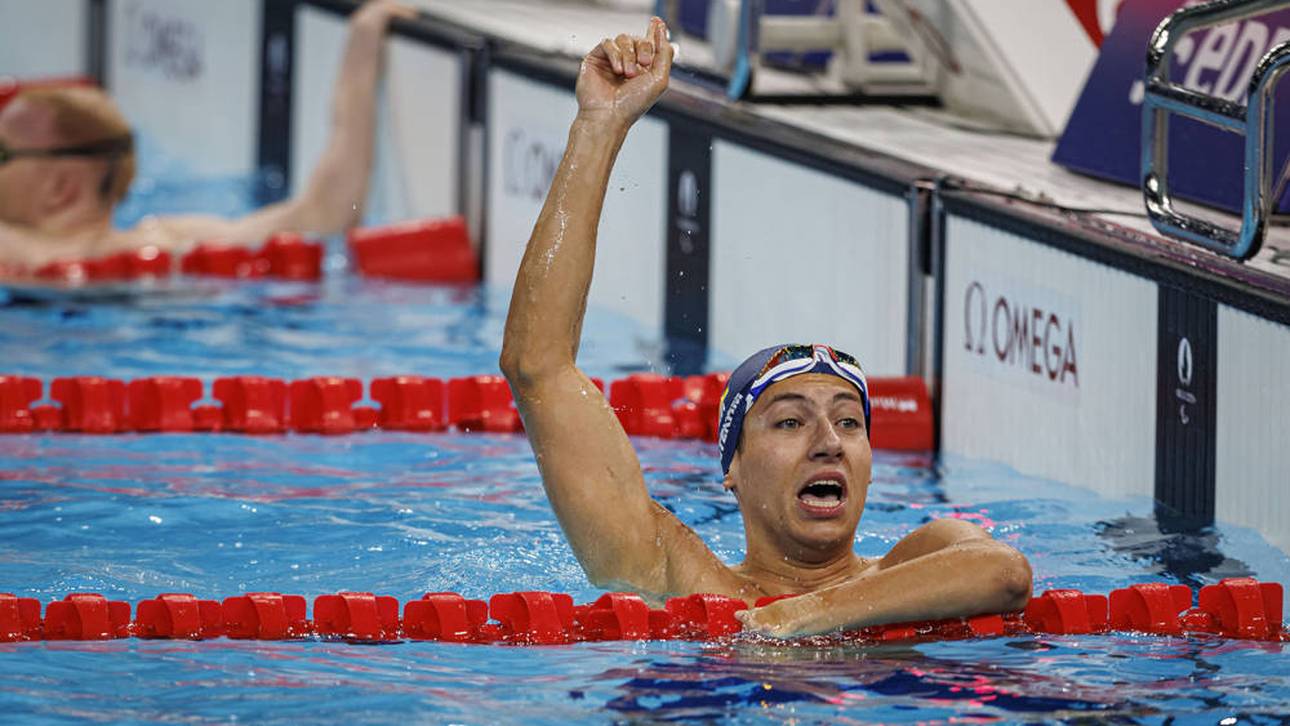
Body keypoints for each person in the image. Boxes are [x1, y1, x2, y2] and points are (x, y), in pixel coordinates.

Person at [499, 18, 1032, 638]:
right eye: (789, 420)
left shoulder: (922, 557)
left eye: (849, 421)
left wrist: (795, 618)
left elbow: (1004, 573)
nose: (829, 440)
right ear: (733, 467)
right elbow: (537, 365)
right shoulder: (677, 575)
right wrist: (599, 127)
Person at [0, 0, 416, 273]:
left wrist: (361, 47)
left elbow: (328, 212)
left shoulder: (163, 243)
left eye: (2, 153)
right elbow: (325, 216)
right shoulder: (175, 251)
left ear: (59, 188)